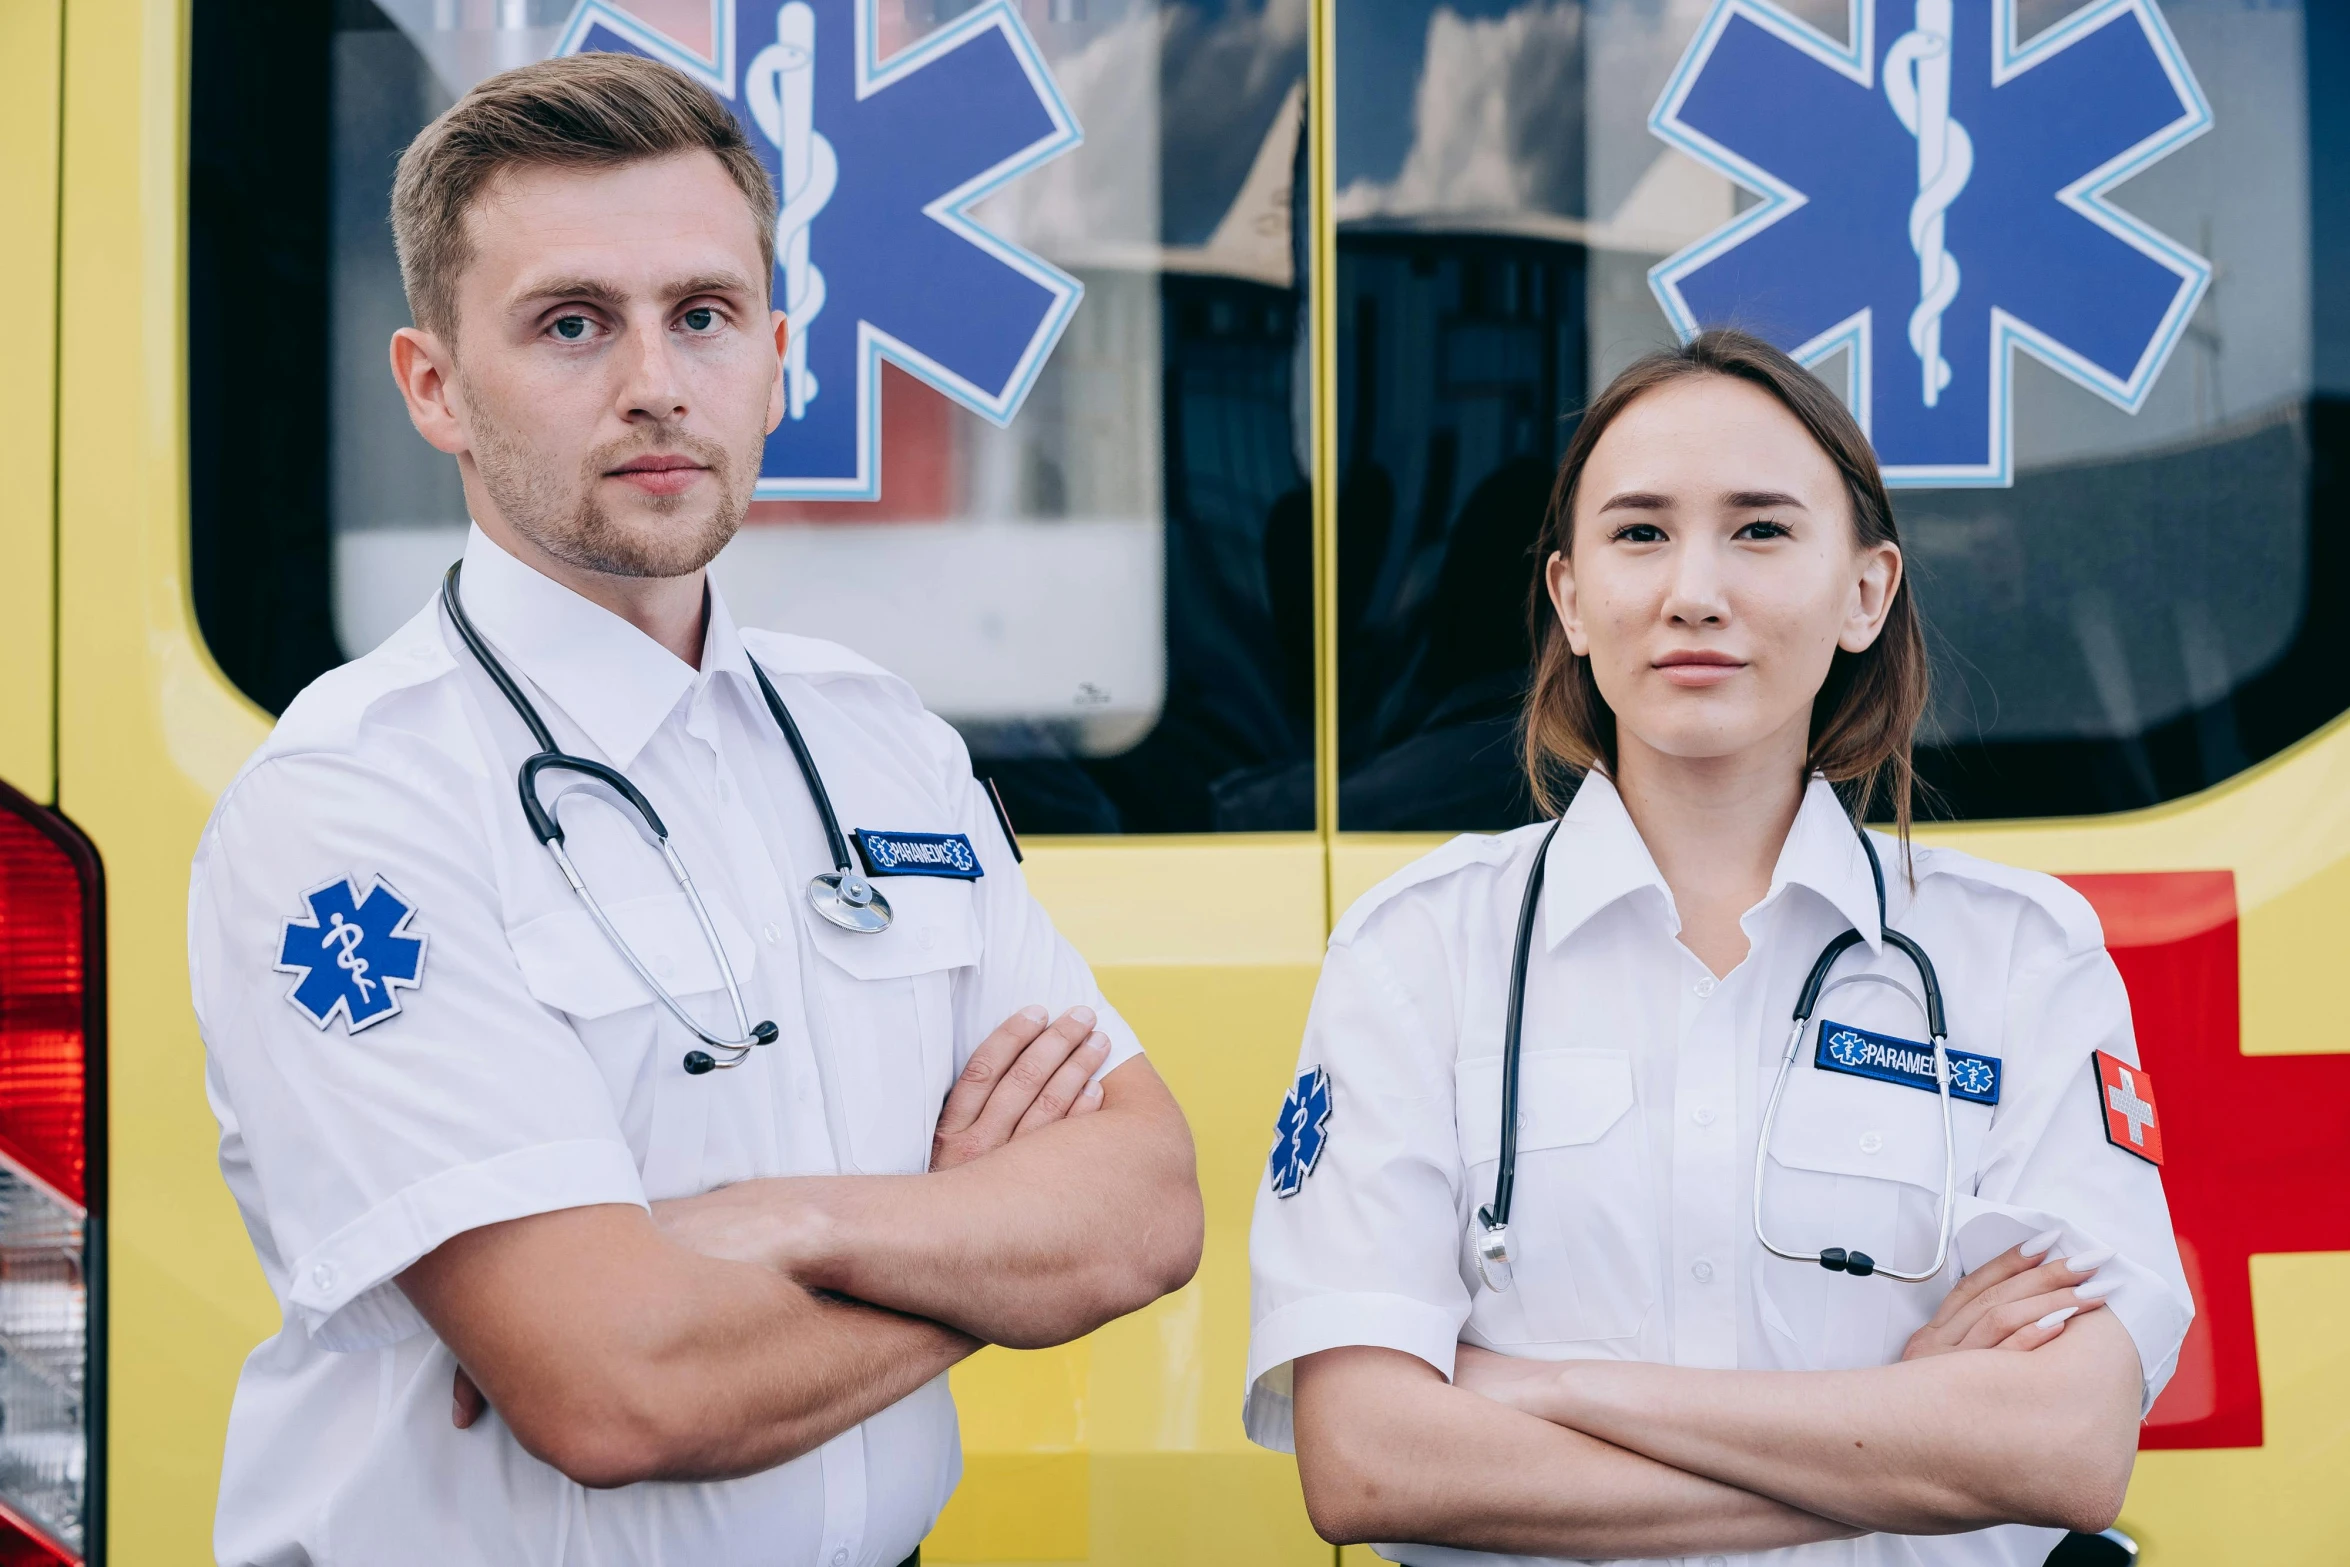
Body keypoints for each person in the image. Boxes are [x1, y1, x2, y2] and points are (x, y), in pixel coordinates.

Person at [187, 53, 1202, 1567]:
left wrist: (782, 1221)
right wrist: (980, 1238)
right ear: (434, 386)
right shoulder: (353, 803)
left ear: (778, 355)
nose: (655, 378)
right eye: (572, 322)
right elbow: (615, 1387)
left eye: (704, 315)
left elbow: (1142, 1208)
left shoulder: (877, 744)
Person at [1244, 330, 2191, 1565]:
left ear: (1866, 592)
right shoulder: (1420, 951)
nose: (1693, 588)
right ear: (1570, 598)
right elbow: (1368, 1460)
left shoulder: (2018, 959)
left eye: (1759, 531)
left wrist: (1550, 1387)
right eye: (1639, 533)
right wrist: (1906, 1447)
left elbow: (2062, 1448)